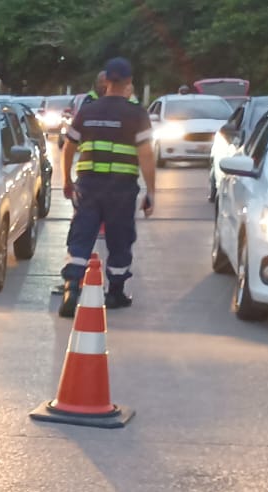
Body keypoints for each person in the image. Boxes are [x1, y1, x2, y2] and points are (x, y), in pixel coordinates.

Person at [59, 57, 157, 316]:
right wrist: (151, 192)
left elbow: (68, 147)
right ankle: (115, 293)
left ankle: (71, 287)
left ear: (106, 82)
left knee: (81, 236)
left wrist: (67, 180)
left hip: (89, 185)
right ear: (128, 82)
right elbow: (146, 155)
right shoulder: (136, 114)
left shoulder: (88, 111)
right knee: (119, 240)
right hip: (121, 189)